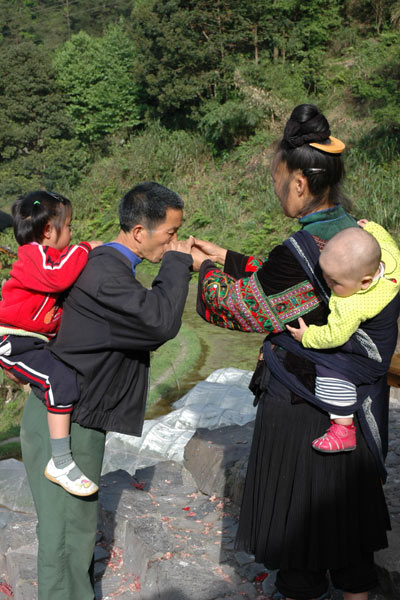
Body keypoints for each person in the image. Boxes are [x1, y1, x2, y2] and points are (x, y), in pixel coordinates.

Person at [192, 104, 399, 600]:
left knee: (302, 546)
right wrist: (230, 258)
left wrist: (201, 269)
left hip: (306, 411)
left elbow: (242, 310)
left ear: (300, 185)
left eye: (277, 178)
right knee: (350, 545)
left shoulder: (299, 251)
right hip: (354, 403)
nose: (275, 187)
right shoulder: (357, 232)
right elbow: (290, 280)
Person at [19, 181, 194, 600]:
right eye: (169, 234)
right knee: (66, 534)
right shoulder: (105, 274)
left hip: (78, 413)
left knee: (75, 527)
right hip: (66, 419)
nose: (174, 241)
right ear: (138, 232)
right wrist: (176, 264)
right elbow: (158, 322)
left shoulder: (110, 268)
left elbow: (143, 330)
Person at [0, 190, 101, 495]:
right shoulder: (34, 254)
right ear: (47, 231)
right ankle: (61, 461)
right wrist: (85, 248)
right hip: (14, 340)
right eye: (69, 226)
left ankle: (51, 410)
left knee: (58, 379)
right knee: (59, 380)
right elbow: (58, 278)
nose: (72, 234)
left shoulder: (49, 255)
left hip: (33, 341)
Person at [287, 221, 400, 454]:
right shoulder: (392, 260)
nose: (328, 284)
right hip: (387, 341)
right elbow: (386, 240)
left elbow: (333, 336)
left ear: (365, 282)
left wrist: (307, 336)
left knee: (330, 368)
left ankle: (343, 428)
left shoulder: (352, 305)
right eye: (325, 276)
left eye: (335, 282)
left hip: (371, 357)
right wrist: (372, 227)